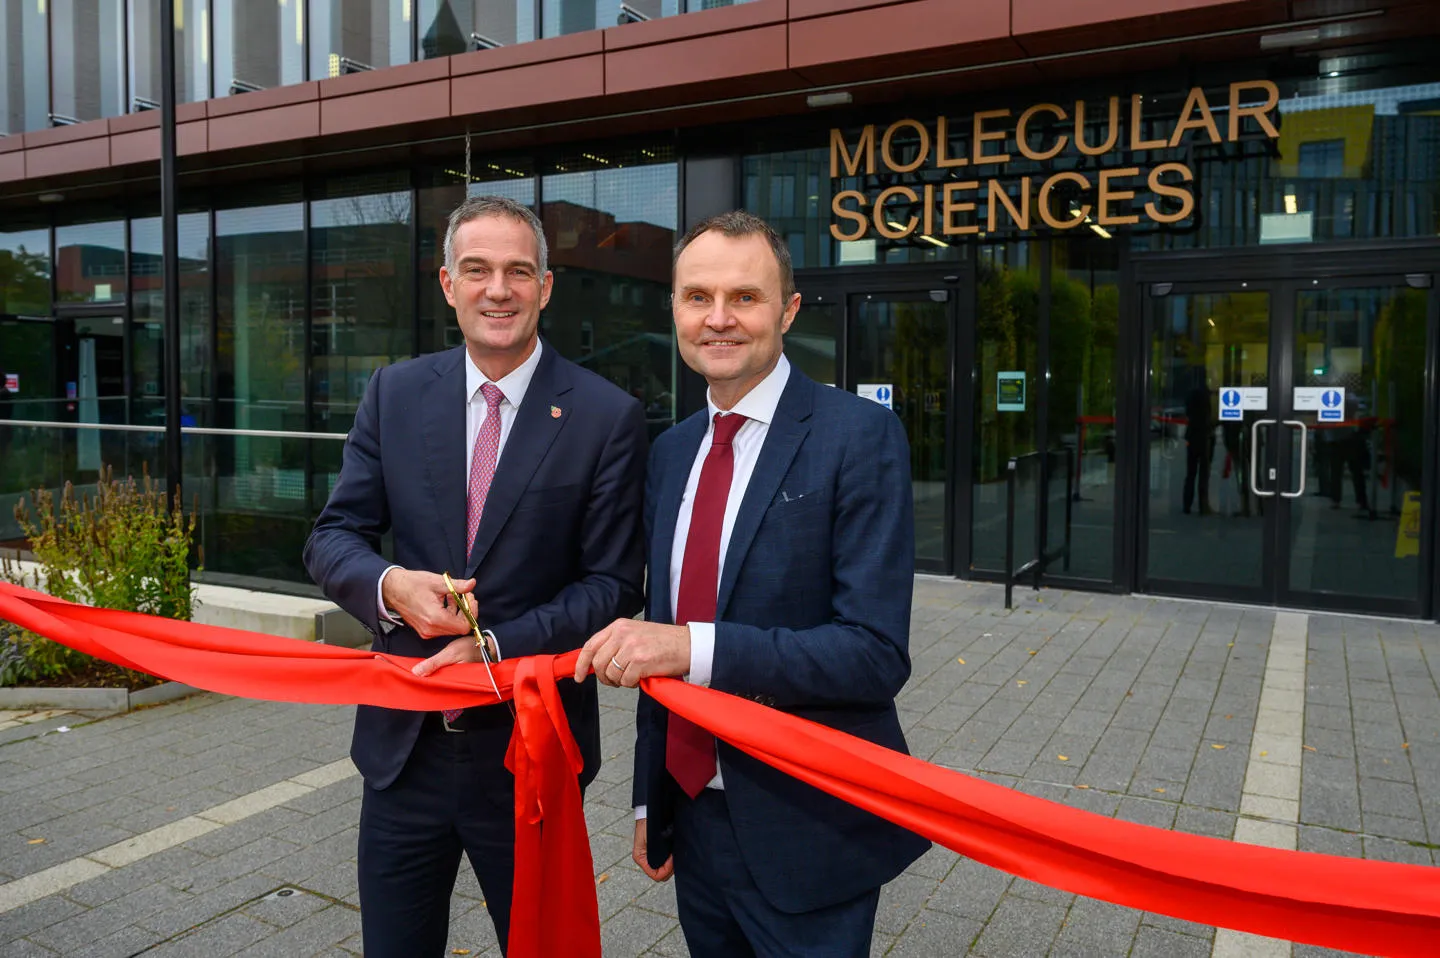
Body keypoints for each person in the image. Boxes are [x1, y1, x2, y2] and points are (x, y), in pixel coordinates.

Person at [575, 210, 929, 958]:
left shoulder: (858, 436)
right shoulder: (669, 453)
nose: (719, 319)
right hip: (695, 819)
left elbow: (871, 654)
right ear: (674, 309)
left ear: (789, 310)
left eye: (745, 297)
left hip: (807, 822)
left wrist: (689, 648)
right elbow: (662, 629)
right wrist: (651, 797)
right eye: (697, 297)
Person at [304, 195, 647, 957]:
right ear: (448, 284)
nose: (499, 289)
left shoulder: (605, 416)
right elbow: (334, 537)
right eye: (478, 270)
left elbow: (614, 586)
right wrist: (391, 586)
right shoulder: (394, 394)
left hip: (526, 752)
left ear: (546, 287)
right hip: (402, 752)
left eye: (519, 271)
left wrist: (494, 642)